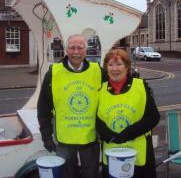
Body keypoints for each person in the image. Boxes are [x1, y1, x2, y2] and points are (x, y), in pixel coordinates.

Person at [37, 34, 105, 178]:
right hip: (64, 140)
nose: (76, 52)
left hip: (91, 139)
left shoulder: (98, 71)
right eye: (72, 48)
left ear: (85, 51)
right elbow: (43, 107)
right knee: (67, 175)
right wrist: (46, 135)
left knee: (91, 174)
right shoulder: (53, 73)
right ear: (66, 50)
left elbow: (112, 94)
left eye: (80, 48)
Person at [96, 48, 160, 178]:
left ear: (127, 67)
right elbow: (96, 119)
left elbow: (153, 117)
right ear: (106, 68)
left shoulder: (141, 86)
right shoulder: (100, 89)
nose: (115, 69)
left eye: (119, 64)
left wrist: (127, 134)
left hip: (138, 155)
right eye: (111, 65)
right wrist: (108, 135)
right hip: (111, 151)